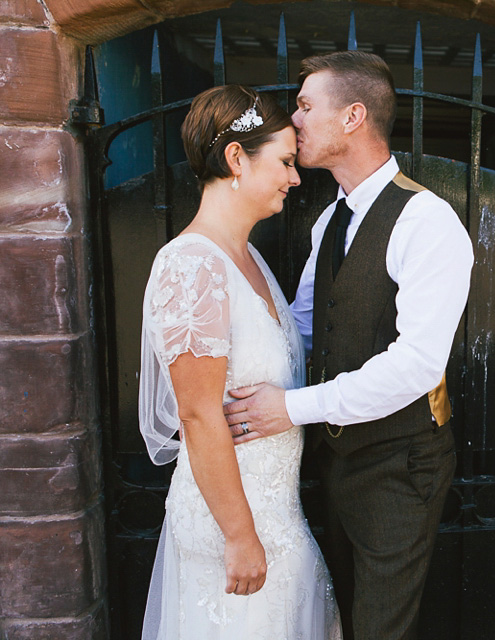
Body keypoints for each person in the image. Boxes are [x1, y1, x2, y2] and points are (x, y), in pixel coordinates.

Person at [223, 51, 474, 640]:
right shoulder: (327, 220)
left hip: (399, 467)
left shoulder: (426, 223)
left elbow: (416, 366)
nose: (295, 120)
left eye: (307, 106)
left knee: (381, 628)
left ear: (353, 116)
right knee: (340, 618)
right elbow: (306, 329)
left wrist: (287, 408)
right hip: (331, 464)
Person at [138, 85, 341, 639]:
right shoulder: (191, 265)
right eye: (283, 162)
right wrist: (239, 535)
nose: (295, 178)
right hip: (231, 531)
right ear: (235, 159)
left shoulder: (249, 258)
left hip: (279, 516)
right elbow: (199, 413)